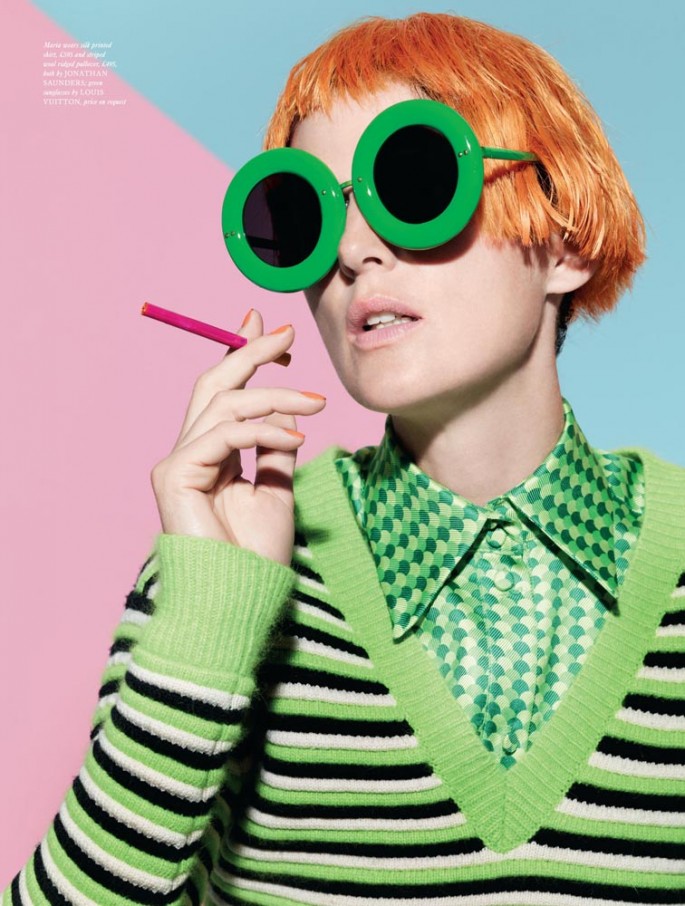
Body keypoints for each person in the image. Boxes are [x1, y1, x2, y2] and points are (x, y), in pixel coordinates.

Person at [5, 11, 685, 906]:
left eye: (415, 181)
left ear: (561, 239)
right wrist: (214, 617)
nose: (354, 253)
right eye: (306, 215)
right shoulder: (226, 564)